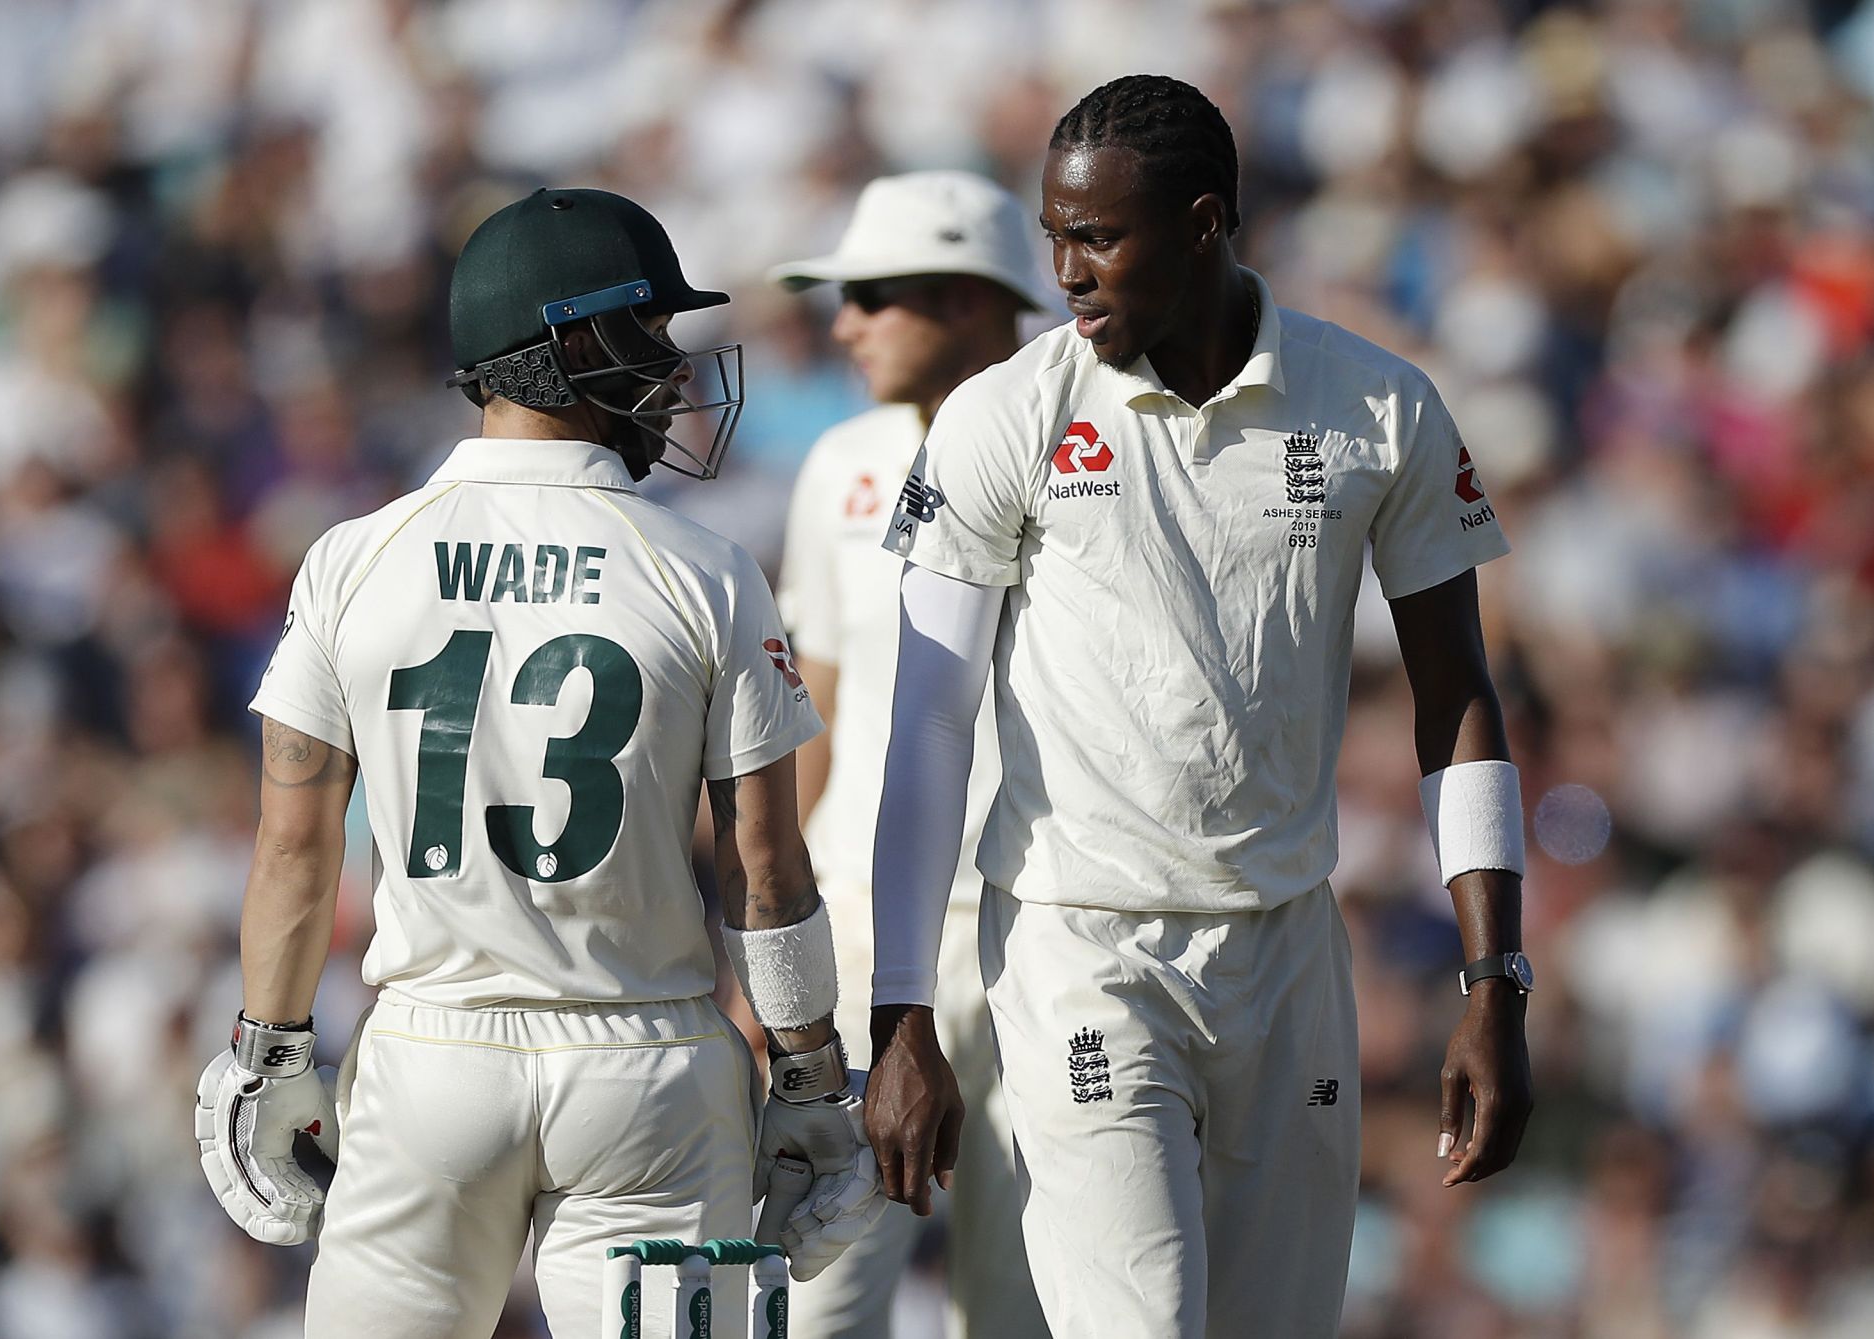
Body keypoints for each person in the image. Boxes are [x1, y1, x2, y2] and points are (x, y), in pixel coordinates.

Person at [864, 75, 1536, 1339]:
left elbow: (1459, 696)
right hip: (1081, 947)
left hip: (1288, 949)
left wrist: (1492, 979)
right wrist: (902, 1010)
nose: (1064, 272)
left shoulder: (1377, 406)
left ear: (1206, 221)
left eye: (1097, 239)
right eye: (1053, 236)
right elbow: (928, 721)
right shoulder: (1007, 414)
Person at [192, 187, 884, 1339]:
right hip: (648, 1064)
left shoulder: (355, 556)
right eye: (646, 333)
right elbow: (765, 868)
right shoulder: (707, 570)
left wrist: (268, 1049)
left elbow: (294, 840)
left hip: (428, 1057)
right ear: (564, 345)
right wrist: (810, 1068)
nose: (669, 368)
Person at [766, 171, 1052, 1339]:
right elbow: (814, 721)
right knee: (818, 1299)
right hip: (858, 940)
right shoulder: (839, 463)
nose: (844, 323)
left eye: (875, 295)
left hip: (1043, 932)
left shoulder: (1080, 452)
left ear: (975, 301)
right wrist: (772, 962)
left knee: (1027, 1309)